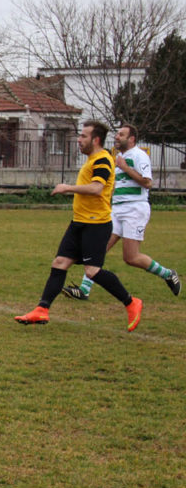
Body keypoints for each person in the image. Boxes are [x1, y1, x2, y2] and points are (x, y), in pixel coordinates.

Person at [15, 120, 143, 331]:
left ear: (96, 140)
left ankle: (131, 302)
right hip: (79, 223)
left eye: (83, 136)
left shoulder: (102, 159)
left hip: (96, 225)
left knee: (92, 271)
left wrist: (67, 188)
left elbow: (96, 189)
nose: (79, 140)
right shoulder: (93, 159)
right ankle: (42, 309)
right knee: (60, 263)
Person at [62, 123, 180, 300]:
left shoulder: (139, 156)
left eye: (121, 134)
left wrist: (125, 168)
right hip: (116, 209)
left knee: (131, 257)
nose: (117, 137)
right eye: (117, 134)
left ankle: (168, 274)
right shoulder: (116, 158)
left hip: (135, 208)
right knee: (99, 250)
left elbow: (147, 183)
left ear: (131, 139)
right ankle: (84, 290)